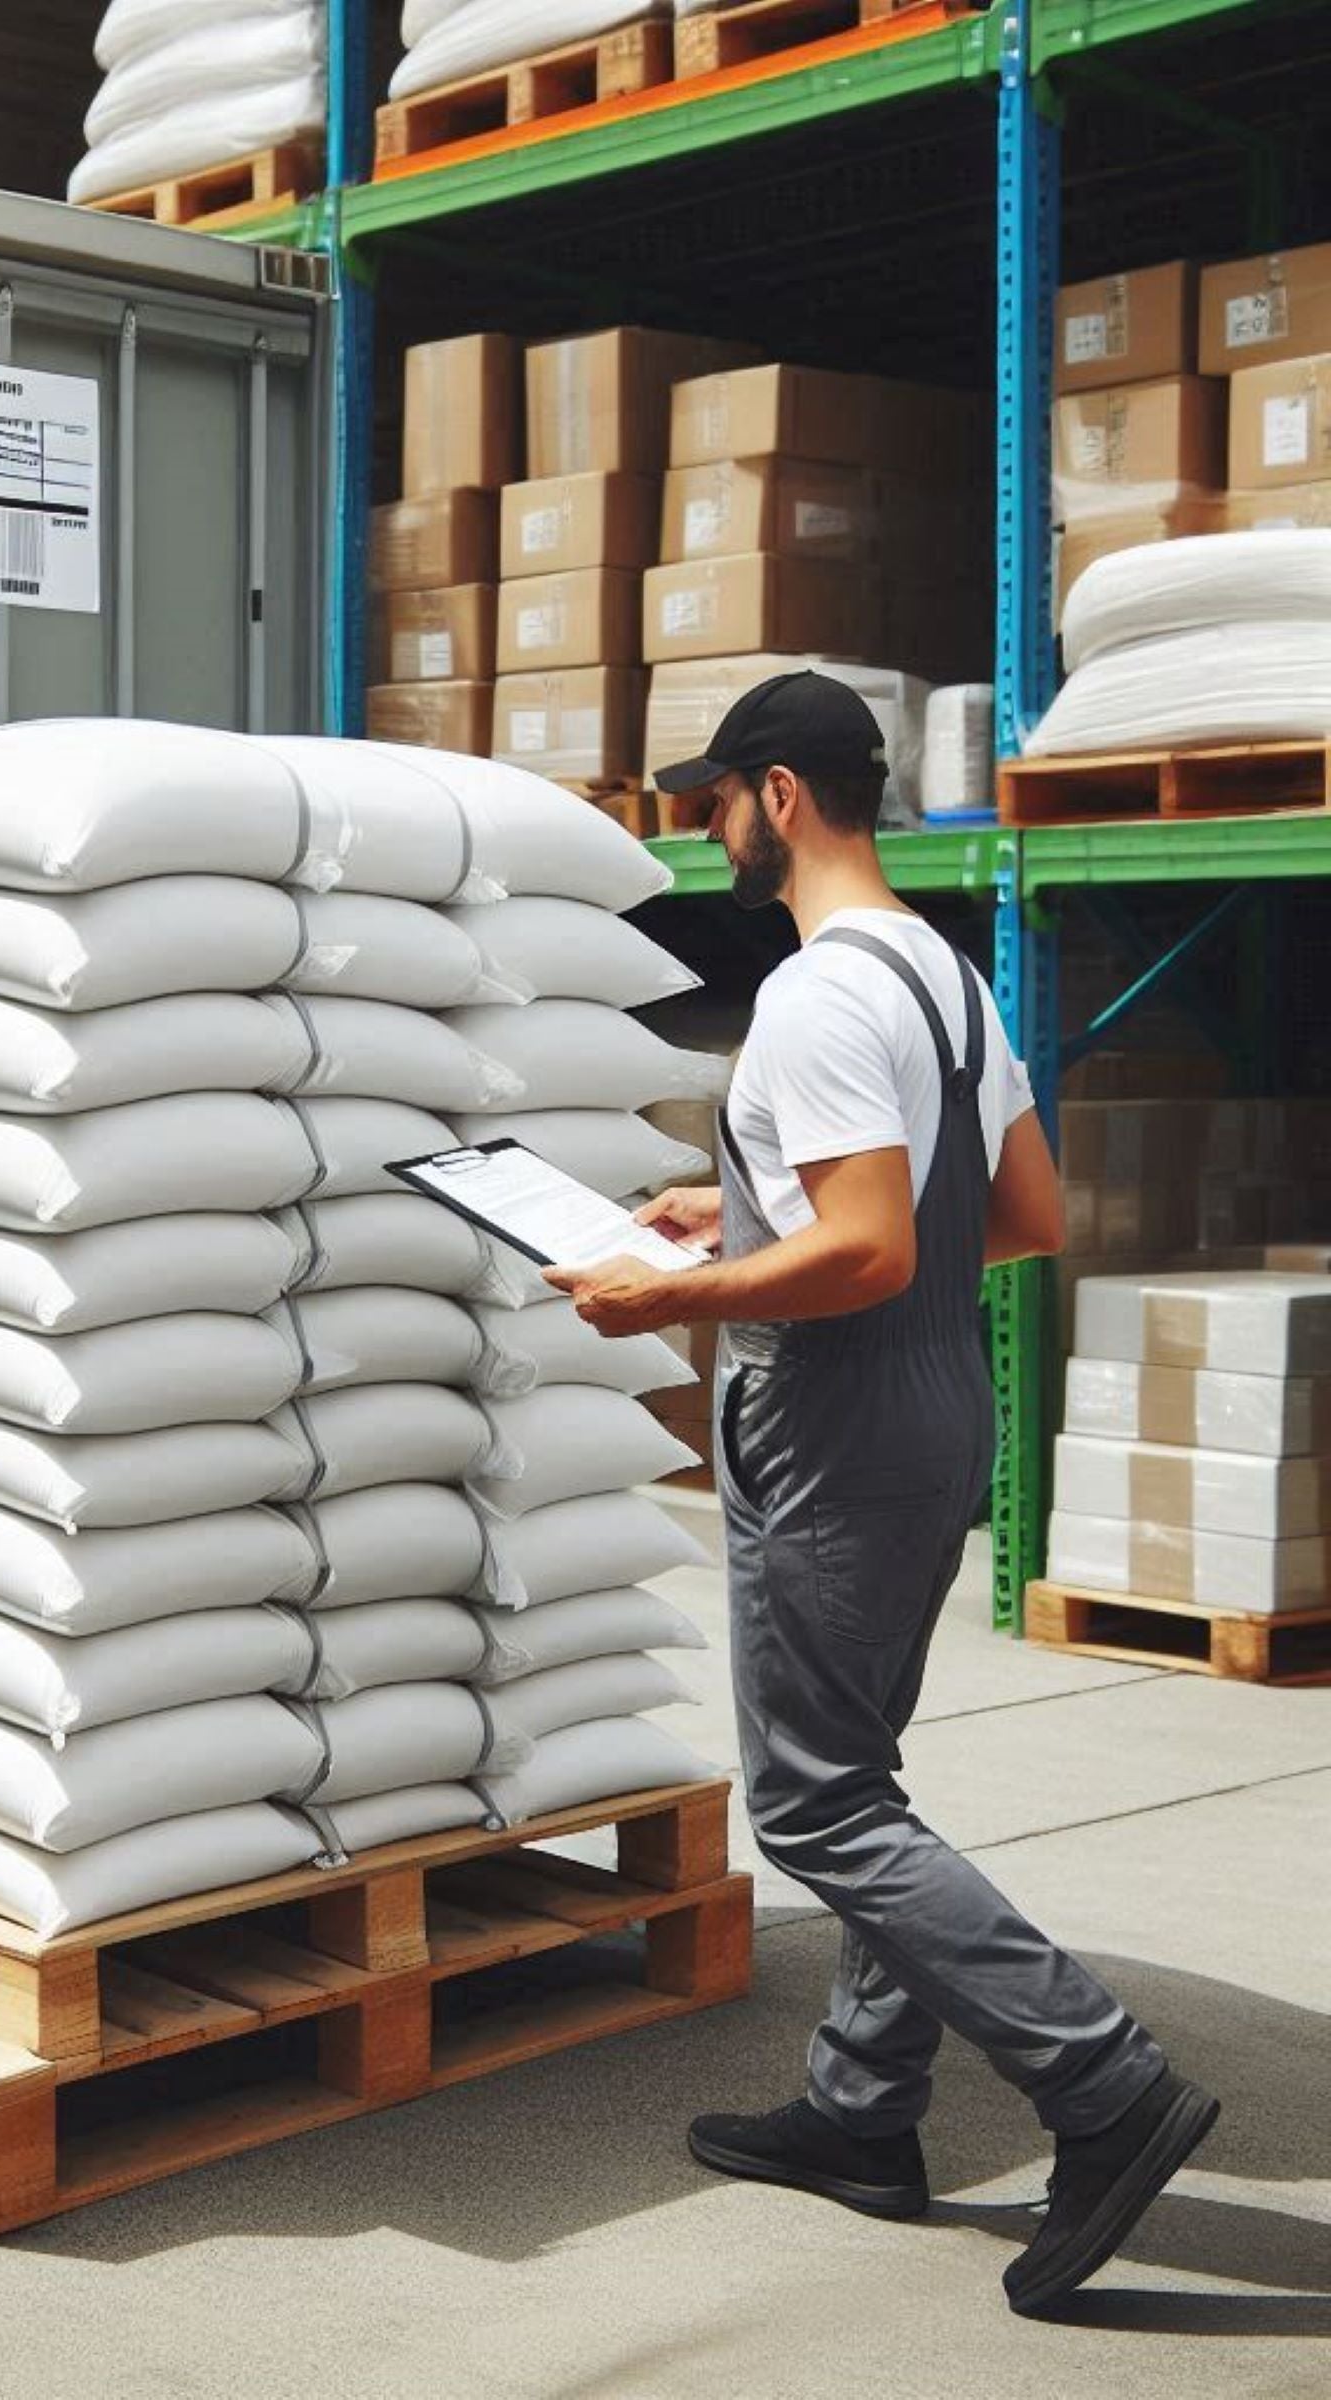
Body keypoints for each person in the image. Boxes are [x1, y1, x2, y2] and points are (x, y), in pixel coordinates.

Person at [541, 671, 1216, 2317]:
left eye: (713, 804)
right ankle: (862, 2114)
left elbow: (873, 1243)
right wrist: (756, 1215)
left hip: (832, 1414)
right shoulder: (949, 979)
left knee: (816, 1804)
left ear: (780, 797)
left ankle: (1100, 2080)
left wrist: (667, 1297)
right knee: (863, 1768)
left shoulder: (825, 994)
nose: (707, 838)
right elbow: (1025, 1210)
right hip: (926, 1399)